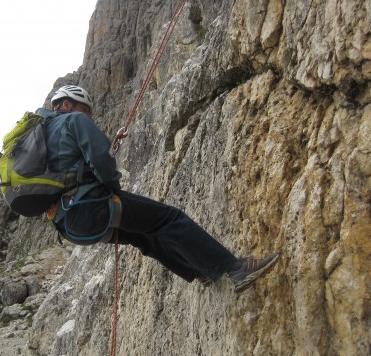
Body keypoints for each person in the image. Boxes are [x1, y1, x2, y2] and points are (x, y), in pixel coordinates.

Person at [36, 85, 279, 293]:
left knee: (143, 235)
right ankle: (234, 269)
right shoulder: (74, 120)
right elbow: (100, 160)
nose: (88, 116)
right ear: (67, 104)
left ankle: (198, 270)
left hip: (69, 226)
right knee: (169, 218)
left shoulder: (43, 136)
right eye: (85, 110)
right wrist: (113, 187)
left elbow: (75, 168)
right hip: (90, 207)